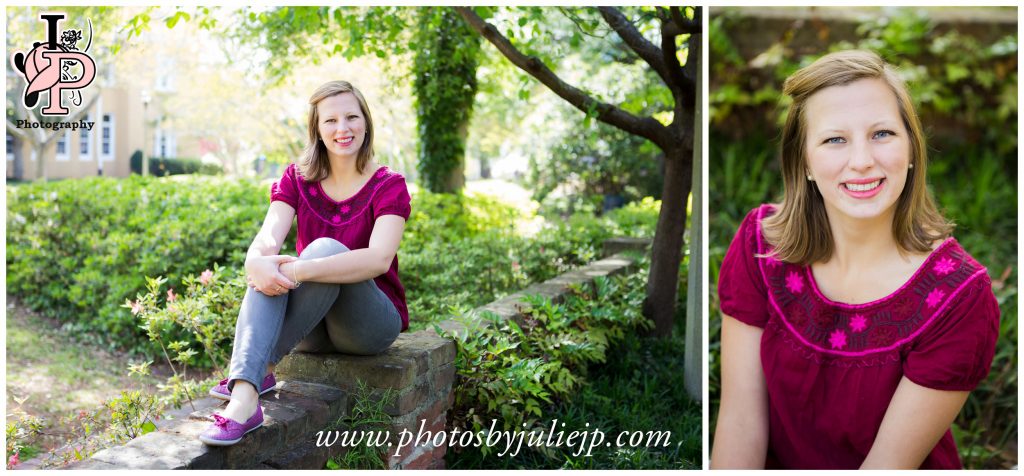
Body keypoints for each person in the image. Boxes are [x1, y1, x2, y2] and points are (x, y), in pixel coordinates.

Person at [711, 50, 999, 469]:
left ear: (912, 148)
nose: (862, 161)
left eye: (882, 133)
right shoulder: (762, 248)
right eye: (834, 139)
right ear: (805, 162)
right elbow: (740, 421)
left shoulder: (957, 296)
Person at [199, 80, 412, 446]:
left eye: (351, 117)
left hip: (367, 326)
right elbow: (269, 235)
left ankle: (254, 377)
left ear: (366, 122)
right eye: (330, 120)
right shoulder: (297, 178)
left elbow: (378, 260)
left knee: (322, 250)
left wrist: (295, 270)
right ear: (317, 129)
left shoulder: (388, 184)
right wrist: (256, 261)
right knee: (269, 264)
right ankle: (247, 394)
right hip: (311, 327)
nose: (342, 129)